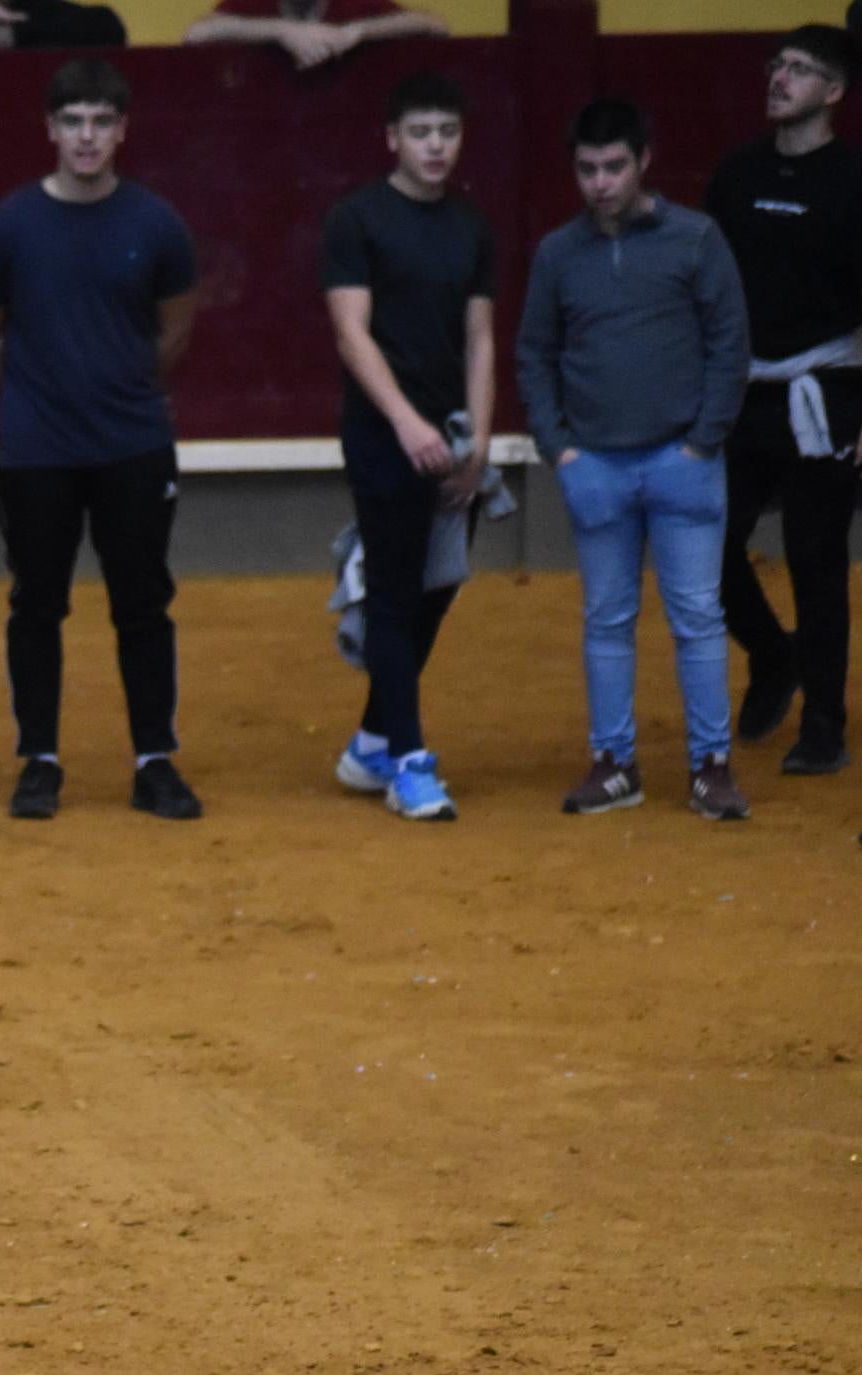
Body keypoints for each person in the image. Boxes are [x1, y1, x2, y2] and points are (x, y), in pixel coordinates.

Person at [0, 57, 203, 823]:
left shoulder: (157, 224)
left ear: (122, 130)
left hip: (131, 441)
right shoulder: (6, 227)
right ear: (52, 130)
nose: (87, 135)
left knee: (143, 602)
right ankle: (41, 760)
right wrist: (49, 387)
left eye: (101, 121)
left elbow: (175, 326)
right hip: (39, 447)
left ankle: (154, 759)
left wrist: (111, 383)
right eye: (74, 121)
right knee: (38, 603)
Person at [518, 98, 752, 820]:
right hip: (598, 467)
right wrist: (561, 453)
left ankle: (711, 765)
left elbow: (729, 346)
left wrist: (702, 442)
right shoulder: (558, 253)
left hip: (682, 458)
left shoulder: (696, 239)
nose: (601, 182)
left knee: (695, 617)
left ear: (644, 159)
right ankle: (614, 762)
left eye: (614, 165)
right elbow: (535, 356)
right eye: (587, 169)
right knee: (608, 619)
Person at [319, 71, 499, 824]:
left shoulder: (471, 227)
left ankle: (371, 741)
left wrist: (481, 440)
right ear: (392, 138)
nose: (435, 146)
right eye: (421, 132)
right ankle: (409, 764)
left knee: (436, 589)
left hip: (454, 434)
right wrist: (404, 422)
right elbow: (350, 331)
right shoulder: (357, 219)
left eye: (447, 133)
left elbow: (481, 338)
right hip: (384, 432)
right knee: (395, 590)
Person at [708, 25, 862, 778]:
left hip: (826, 394)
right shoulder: (736, 176)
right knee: (707, 543)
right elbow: (707, 290)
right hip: (743, 390)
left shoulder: (855, 184)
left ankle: (825, 727)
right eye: (777, 65)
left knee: (816, 559)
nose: (779, 78)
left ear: (833, 92)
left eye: (799, 70)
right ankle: (774, 655)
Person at [186, 0, 445, 71]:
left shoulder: (355, 5)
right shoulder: (254, 3)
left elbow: (434, 26)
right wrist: (282, 30)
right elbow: (196, 33)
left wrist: (358, 32)